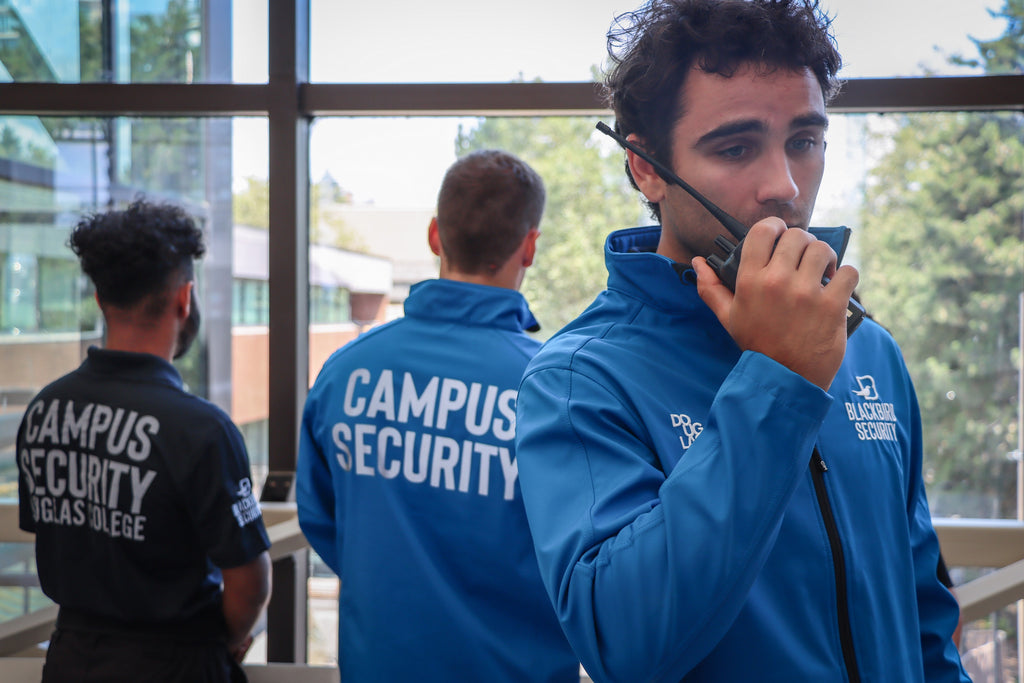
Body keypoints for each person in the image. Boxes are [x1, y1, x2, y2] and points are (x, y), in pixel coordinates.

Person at [513, 1, 970, 681]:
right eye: (735, 147)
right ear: (645, 167)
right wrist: (778, 379)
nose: (784, 186)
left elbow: (924, 617)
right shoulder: (581, 378)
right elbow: (623, 643)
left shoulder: (868, 348)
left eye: (804, 141)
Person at [296, 150, 579, 682]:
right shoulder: (556, 391)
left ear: (434, 236)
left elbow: (324, 520)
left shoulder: (345, 373)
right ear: (529, 247)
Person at [17, 199, 272, 682]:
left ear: (99, 298)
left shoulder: (44, 410)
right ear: (185, 299)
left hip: (71, 661)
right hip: (176, 664)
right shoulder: (202, 430)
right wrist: (222, 639)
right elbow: (250, 584)